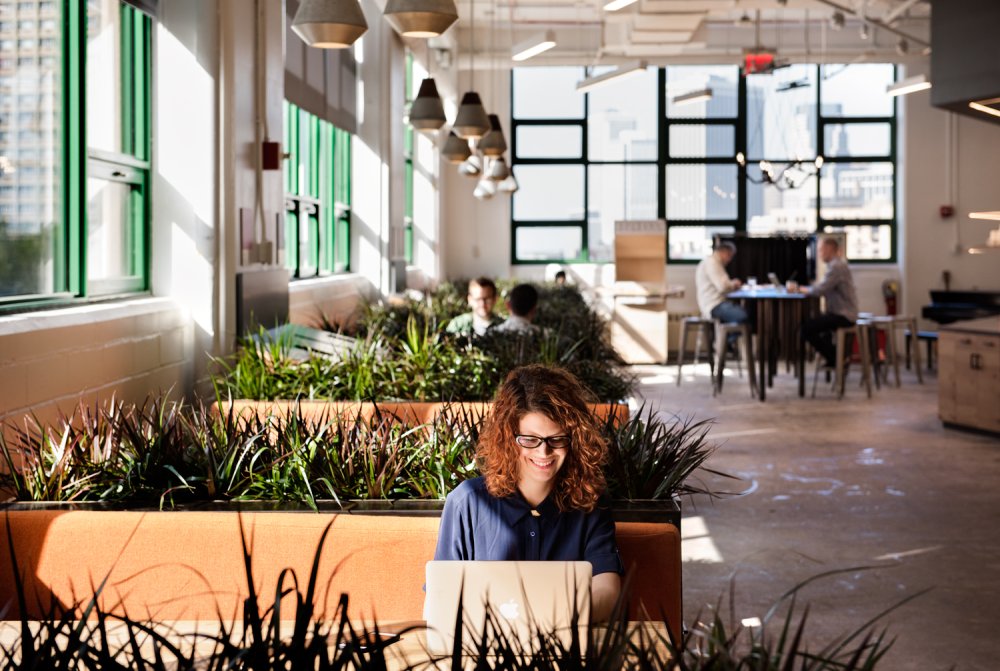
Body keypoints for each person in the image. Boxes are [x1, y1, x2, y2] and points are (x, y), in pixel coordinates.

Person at [433, 364, 623, 622]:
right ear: (507, 438)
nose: (543, 453)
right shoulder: (466, 502)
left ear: (575, 440)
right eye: (530, 439)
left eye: (556, 439)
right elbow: (442, 596)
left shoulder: (590, 500)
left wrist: (560, 618)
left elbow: (607, 589)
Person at [801, 236, 859, 369]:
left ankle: (837, 358)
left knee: (807, 329)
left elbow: (821, 289)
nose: (820, 253)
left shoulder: (837, 266)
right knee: (819, 325)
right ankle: (835, 359)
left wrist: (801, 289)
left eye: (821, 250)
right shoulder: (835, 265)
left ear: (829, 249)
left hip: (844, 315)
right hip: (840, 313)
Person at [695, 240, 747, 327]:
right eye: (729, 255)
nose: (729, 260)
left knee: (741, 316)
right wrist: (734, 284)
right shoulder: (712, 263)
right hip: (714, 305)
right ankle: (725, 339)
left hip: (714, 303)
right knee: (743, 316)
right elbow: (723, 287)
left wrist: (731, 284)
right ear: (723, 252)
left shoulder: (713, 262)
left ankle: (723, 338)